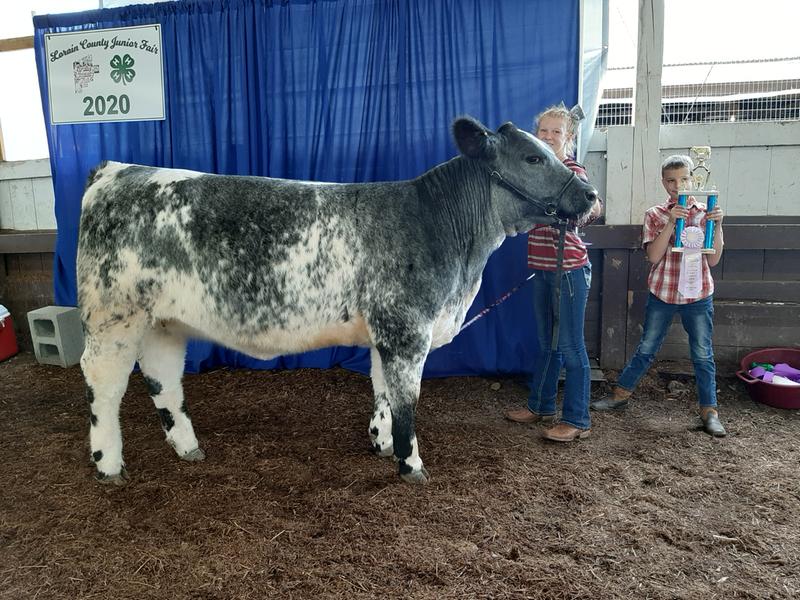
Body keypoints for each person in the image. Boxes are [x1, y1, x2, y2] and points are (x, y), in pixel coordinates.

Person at [590, 154, 727, 437]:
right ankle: (620, 395)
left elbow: (713, 261)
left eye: (684, 178)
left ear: (693, 178)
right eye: (672, 181)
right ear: (664, 184)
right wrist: (670, 222)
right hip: (663, 293)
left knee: (702, 354)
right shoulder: (654, 214)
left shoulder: (706, 212)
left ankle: (709, 412)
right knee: (647, 347)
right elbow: (653, 256)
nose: (679, 185)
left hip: (698, 294)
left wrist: (719, 225)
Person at [506, 103, 602, 442]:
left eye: (556, 132)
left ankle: (577, 420)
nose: (548, 137)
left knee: (571, 346)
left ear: (569, 137)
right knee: (547, 343)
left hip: (569, 269)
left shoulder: (571, 170)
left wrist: (563, 213)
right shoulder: (536, 170)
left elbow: (591, 206)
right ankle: (541, 405)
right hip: (543, 267)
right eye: (543, 131)